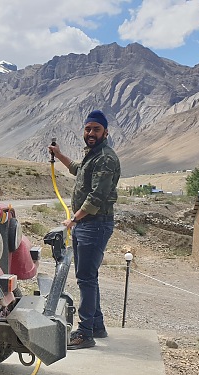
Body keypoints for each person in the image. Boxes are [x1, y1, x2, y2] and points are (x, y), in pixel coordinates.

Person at [48, 110, 120, 350]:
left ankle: (85, 332)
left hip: (94, 225)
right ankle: (96, 325)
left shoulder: (106, 158)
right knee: (88, 277)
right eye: (88, 129)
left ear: (105, 132)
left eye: (96, 129)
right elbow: (78, 169)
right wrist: (59, 156)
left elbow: (96, 197)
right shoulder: (93, 156)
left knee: (86, 279)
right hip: (86, 225)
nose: (90, 133)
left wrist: (74, 219)